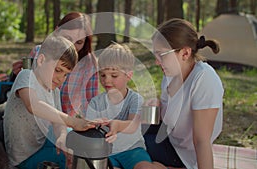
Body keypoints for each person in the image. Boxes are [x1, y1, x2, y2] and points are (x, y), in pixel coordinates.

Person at [3, 35, 96, 169]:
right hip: (24, 158)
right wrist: (73, 121)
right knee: (77, 160)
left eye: (65, 74)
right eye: (58, 70)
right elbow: (33, 105)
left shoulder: (55, 92)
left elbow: (58, 122)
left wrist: (62, 137)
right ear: (41, 60)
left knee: (79, 145)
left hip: (42, 144)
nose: (61, 78)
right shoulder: (27, 76)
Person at [148, 18, 224, 169]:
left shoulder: (204, 79)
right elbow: (170, 117)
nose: (157, 62)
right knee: (125, 134)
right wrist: (156, 105)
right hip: (169, 137)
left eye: (161, 55)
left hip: (183, 155)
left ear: (185, 53)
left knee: (127, 149)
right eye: (155, 55)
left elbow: (202, 141)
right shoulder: (170, 74)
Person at [85, 43, 165, 169]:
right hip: (107, 154)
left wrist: (116, 125)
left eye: (114, 75)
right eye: (102, 75)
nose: (107, 80)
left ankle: (159, 166)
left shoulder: (134, 99)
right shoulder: (95, 103)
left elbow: (133, 124)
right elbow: (89, 130)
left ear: (128, 75)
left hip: (133, 151)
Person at [11, 12, 98, 116]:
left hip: (63, 123)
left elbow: (91, 104)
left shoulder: (89, 64)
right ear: (57, 31)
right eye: (68, 38)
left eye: (79, 42)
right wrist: (14, 75)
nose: (71, 46)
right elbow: (26, 88)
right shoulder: (39, 51)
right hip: (26, 115)